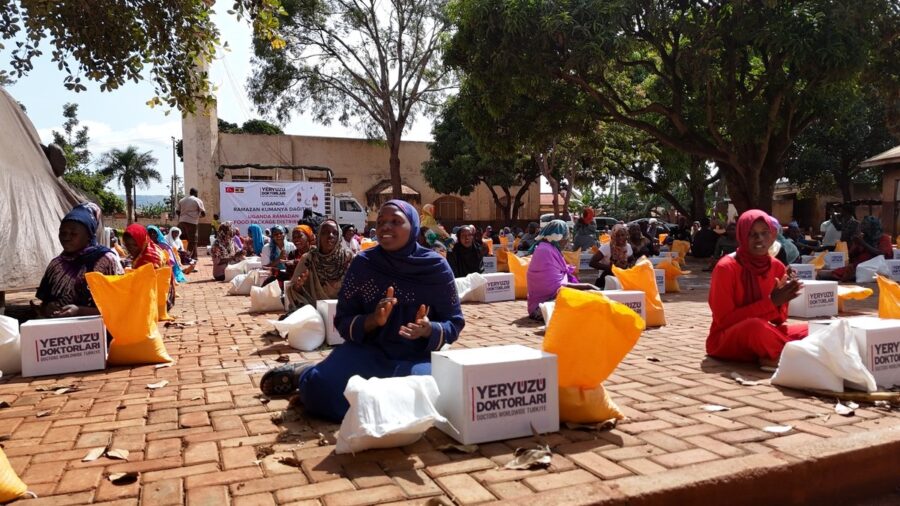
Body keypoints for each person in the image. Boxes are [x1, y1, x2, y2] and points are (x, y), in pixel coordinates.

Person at [259, 200, 465, 422]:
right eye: (381, 221)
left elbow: (454, 322)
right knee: (322, 391)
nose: (386, 227)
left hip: (415, 358)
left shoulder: (436, 267)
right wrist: (373, 320)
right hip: (367, 352)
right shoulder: (364, 264)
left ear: (413, 226)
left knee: (420, 399)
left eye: (395, 221)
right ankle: (307, 374)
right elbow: (343, 320)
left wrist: (428, 329)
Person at [706, 210, 808, 366]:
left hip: (764, 332)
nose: (759, 239)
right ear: (741, 236)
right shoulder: (726, 268)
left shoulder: (778, 267)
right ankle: (798, 356)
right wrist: (771, 302)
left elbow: (779, 320)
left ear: (773, 235)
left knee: (814, 329)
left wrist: (782, 301)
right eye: (751, 234)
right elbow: (724, 321)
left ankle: (780, 354)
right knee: (754, 327)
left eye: (764, 233)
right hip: (726, 338)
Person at [36, 203, 123, 318]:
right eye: (63, 233)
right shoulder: (56, 265)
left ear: (88, 235)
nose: (66, 237)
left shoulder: (106, 260)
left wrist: (80, 311)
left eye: (73, 233)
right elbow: (44, 304)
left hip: (98, 333)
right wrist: (47, 308)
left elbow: (121, 306)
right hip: (59, 333)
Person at [526, 220, 599, 319]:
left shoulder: (549, 249)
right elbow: (554, 287)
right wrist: (587, 286)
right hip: (543, 307)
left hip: (546, 303)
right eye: (566, 237)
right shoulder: (545, 250)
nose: (567, 240)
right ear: (558, 237)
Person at [286, 220, 352, 310]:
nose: (330, 236)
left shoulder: (348, 258)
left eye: (335, 233)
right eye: (325, 233)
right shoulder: (309, 259)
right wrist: (298, 286)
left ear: (340, 237)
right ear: (318, 236)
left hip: (344, 311)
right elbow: (292, 289)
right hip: (315, 311)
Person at [818, 216, 894, 282]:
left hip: (875, 266)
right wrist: (855, 244)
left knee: (827, 274)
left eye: (864, 224)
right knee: (823, 274)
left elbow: (881, 254)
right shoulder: (863, 237)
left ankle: (850, 275)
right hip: (858, 266)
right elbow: (851, 256)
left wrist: (863, 243)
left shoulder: (883, 238)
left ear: (872, 226)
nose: (862, 226)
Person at [176, 188, 206, 261]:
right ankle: (188, 257)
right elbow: (203, 213)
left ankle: (194, 256)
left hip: (181, 222)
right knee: (193, 241)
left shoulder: (182, 200)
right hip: (192, 222)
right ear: (196, 193)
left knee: (184, 239)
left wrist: (182, 216)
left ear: (190, 193)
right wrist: (198, 216)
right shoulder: (197, 200)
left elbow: (177, 211)